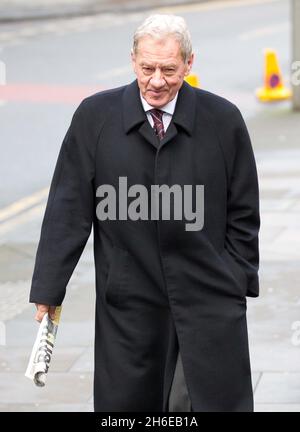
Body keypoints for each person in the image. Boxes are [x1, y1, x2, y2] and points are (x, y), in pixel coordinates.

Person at [29, 14, 260, 412]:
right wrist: (49, 288)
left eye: (169, 70)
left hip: (207, 299)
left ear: (189, 64)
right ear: (133, 60)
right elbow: (68, 207)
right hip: (129, 305)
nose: (156, 80)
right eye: (147, 67)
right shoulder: (94, 118)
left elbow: (244, 210)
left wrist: (234, 276)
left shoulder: (224, 121)